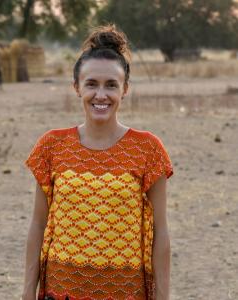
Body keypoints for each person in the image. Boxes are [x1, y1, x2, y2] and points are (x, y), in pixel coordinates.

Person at [22, 25, 173, 300]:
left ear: (125, 89)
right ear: (77, 87)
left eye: (111, 85)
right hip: (61, 290)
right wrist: (26, 292)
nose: (101, 95)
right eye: (91, 84)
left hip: (126, 292)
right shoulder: (51, 146)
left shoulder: (148, 149)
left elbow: (161, 232)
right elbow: (37, 224)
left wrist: (163, 297)